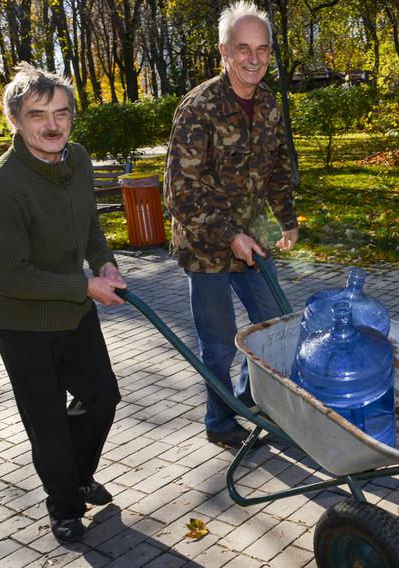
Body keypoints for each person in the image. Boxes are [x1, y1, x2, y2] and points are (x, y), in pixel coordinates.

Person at [0, 63, 126, 543]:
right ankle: (63, 506)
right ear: (15, 121)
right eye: (38, 114)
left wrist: (103, 263)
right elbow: (13, 277)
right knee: (46, 422)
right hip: (23, 323)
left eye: (61, 113)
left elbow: (90, 228)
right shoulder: (1, 187)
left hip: (74, 312)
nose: (53, 125)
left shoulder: (77, 159)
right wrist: (84, 286)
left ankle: (76, 475)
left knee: (102, 397)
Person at [164, 1, 298, 449]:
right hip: (206, 246)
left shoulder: (269, 104)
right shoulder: (199, 107)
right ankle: (220, 422)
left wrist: (287, 219)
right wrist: (229, 236)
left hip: (252, 236)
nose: (254, 58)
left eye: (262, 48)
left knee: (275, 326)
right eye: (244, 48)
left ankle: (245, 398)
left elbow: (278, 167)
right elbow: (180, 193)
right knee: (219, 343)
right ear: (224, 51)